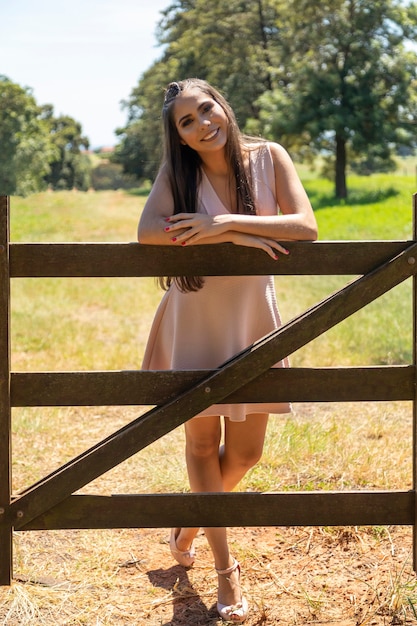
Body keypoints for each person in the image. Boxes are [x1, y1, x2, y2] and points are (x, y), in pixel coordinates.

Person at [138, 78, 317, 623]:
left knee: (245, 454)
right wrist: (232, 238)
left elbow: (305, 224)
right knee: (200, 448)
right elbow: (148, 232)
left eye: (205, 110)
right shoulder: (179, 173)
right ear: (181, 139)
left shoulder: (269, 156)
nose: (201, 125)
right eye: (186, 124)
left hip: (251, 320)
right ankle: (223, 569)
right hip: (193, 317)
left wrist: (227, 223)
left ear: (223, 105)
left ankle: (189, 525)